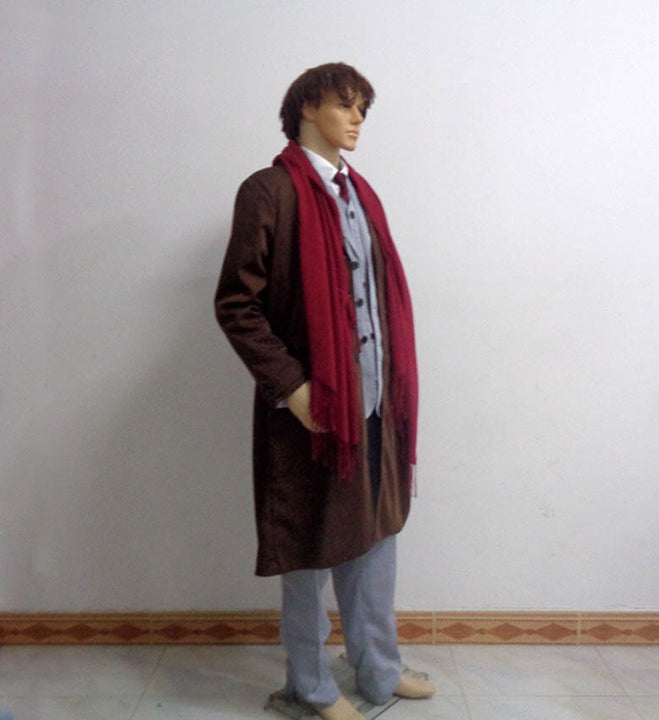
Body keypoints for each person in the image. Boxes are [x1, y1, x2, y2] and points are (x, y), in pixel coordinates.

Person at [214, 62, 435, 720]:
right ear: (309, 106)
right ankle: (309, 687)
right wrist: (292, 386)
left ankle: (379, 669)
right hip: (309, 410)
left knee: (376, 537)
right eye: (347, 105)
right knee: (308, 547)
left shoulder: (362, 194)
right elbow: (237, 304)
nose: (359, 118)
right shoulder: (268, 191)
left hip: (374, 404)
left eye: (364, 107)